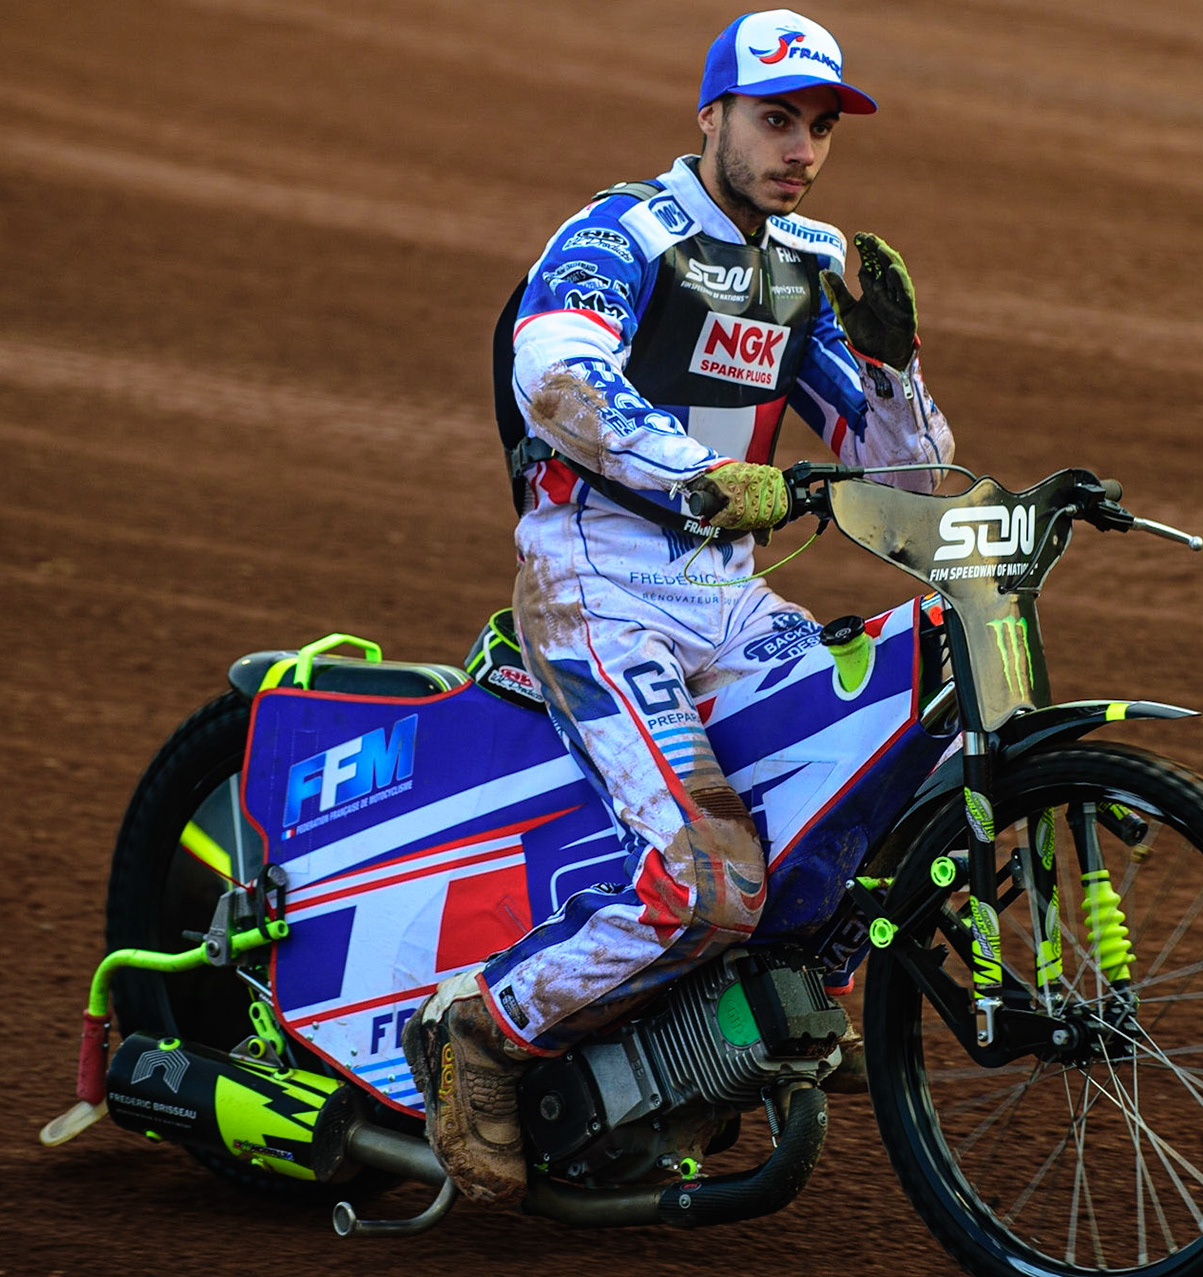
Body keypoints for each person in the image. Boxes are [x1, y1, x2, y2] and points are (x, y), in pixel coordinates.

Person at [405, 8, 954, 1207]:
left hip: (724, 591)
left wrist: (897, 367)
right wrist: (697, 474)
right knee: (710, 879)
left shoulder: (802, 266)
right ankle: (483, 1028)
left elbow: (901, 476)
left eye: (817, 126)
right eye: (773, 119)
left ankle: (767, 1007)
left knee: (857, 774)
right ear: (709, 115)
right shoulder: (624, 231)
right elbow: (554, 375)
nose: (800, 146)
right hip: (594, 579)